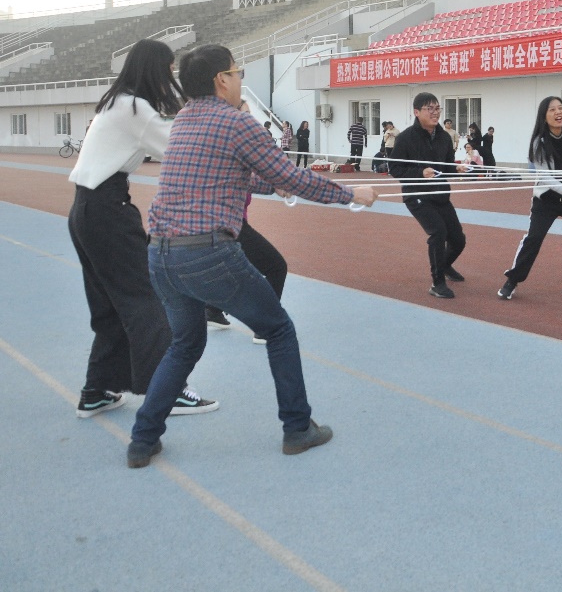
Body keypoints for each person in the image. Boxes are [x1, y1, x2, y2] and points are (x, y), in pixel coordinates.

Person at [127, 44, 377, 469]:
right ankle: (297, 428)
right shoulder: (236, 122)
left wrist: (269, 186)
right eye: (237, 72)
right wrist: (351, 194)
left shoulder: (183, 120)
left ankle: (142, 439)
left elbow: (226, 176)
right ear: (221, 80)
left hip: (161, 254)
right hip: (207, 252)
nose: (240, 79)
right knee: (278, 330)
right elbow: (292, 176)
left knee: (185, 343)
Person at [67, 39, 218, 420]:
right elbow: (180, 148)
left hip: (85, 210)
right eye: (169, 68)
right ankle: (166, 391)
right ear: (155, 69)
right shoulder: (136, 109)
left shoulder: (117, 103)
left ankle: (97, 390)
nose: (171, 75)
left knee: (110, 305)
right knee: (147, 296)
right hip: (108, 212)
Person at [206, 99, 288, 347]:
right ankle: (264, 326)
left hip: (223, 224)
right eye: (246, 114)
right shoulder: (230, 147)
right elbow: (246, 179)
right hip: (229, 226)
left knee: (236, 270)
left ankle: (211, 310)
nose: (250, 120)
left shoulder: (230, 145)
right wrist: (277, 186)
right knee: (276, 267)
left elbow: (256, 173)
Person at [499, 97, 562, 300]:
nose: (558, 112)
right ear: (544, 116)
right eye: (552, 110)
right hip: (547, 198)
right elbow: (544, 177)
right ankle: (512, 280)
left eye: (560, 108)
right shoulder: (538, 142)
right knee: (533, 238)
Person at [391, 93, 468, 300]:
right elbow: (395, 169)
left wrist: (457, 168)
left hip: (440, 195)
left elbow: (446, 167)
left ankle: (444, 265)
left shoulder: (444, 137)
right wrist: (420, 173)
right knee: (438, 232)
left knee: (458, 240)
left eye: (437, 108)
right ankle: (437, 283)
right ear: (416, 112)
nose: (435, 113)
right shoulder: (405, 138)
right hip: (417, 196)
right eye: (429, 109)